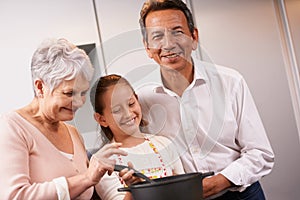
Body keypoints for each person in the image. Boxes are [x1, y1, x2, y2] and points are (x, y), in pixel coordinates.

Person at [128, 0, 275, 199]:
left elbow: (260, 153)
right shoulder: (142, 99)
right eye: (157, 36)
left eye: (177, 32)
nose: (168, 44)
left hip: (241, 194)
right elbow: (144, 154)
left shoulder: (230, 82)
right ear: (147, 47)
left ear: (194, 37)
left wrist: (218, 182)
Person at [0, 38, 127, 200]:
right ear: (40, 87)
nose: (79, 102)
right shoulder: (11, 128)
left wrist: (128, 187)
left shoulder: (73, 133)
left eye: (82, 93)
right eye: (69, 93)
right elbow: (14, 196)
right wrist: (86, 178)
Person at [89, 74, 185, 200]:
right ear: (101, 119)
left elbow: (185, 190)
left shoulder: (164, 144)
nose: (128, 114)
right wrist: (133, 190)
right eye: (117, 110)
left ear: (137, 100)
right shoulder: (103, 161)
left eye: (131, 103)